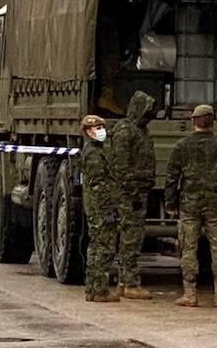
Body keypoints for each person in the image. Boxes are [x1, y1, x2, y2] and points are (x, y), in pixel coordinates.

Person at [163, 104, 217, 307]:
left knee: (188, 247)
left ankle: (190, 293)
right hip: (216, 204)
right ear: (212, 122)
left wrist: (170, 204)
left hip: (189, 204)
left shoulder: (182, 146)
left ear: (193, 122)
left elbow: (172, 177)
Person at [108, 91, 157, 300]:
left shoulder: (140, 130)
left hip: (137, 190)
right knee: (131, 237)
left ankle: (123, 281)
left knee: (132, 236)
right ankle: (130, 283)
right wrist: (132, 188)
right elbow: (120, 164)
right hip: (129, 194)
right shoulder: (125, 131)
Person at [80, 114, 120, 303]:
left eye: (102, 127)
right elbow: (98, 185)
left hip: (96, 207)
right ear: (89, 131)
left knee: (96, 246)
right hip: (99, 209)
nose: (102, 131)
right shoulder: (94, 154)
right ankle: (100, 290)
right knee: (104, 247)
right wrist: (107, 210)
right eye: (98, 128)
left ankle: (92, 288)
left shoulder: (95, 150)